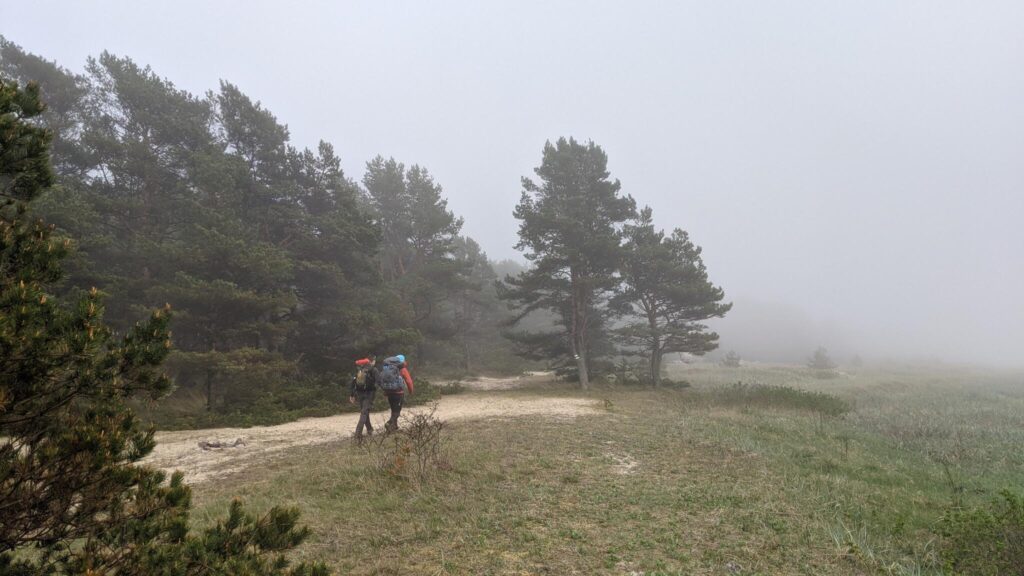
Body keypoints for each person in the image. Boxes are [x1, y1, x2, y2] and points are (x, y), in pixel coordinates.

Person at [379, 354, 414, 432]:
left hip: (389, 393)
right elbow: (408, 381)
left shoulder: (388, 368)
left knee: (393, 410)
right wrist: (411, 391)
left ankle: (394, 427)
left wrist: (385, 392)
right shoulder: (402, 369)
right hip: (399, 393)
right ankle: (389, 423)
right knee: (397, 412)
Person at [348, 356, 379, 440]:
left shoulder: (359, 369)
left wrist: (352, 395)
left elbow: (353, 383)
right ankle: (358, 433)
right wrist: (374, 390)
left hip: (359, 393)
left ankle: (369, 429)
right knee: (364, 412)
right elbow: (378, 382)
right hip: (369, 394)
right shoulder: (373, 370)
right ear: (371, 361)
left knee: (364, 411)